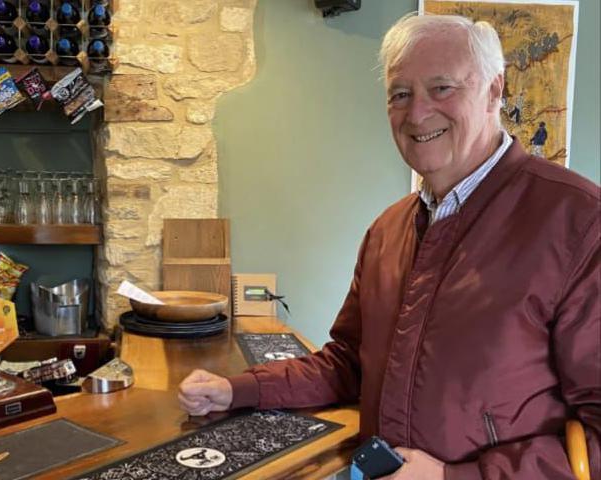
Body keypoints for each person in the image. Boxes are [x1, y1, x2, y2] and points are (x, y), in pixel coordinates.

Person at [179, 14, 599, 480]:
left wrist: (453, 478)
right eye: (400, 94)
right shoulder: (388, 229)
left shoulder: (580, 222)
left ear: (495, 90)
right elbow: (346, 364)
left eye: (442, 88)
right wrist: (235, 390)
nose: (417, 114)